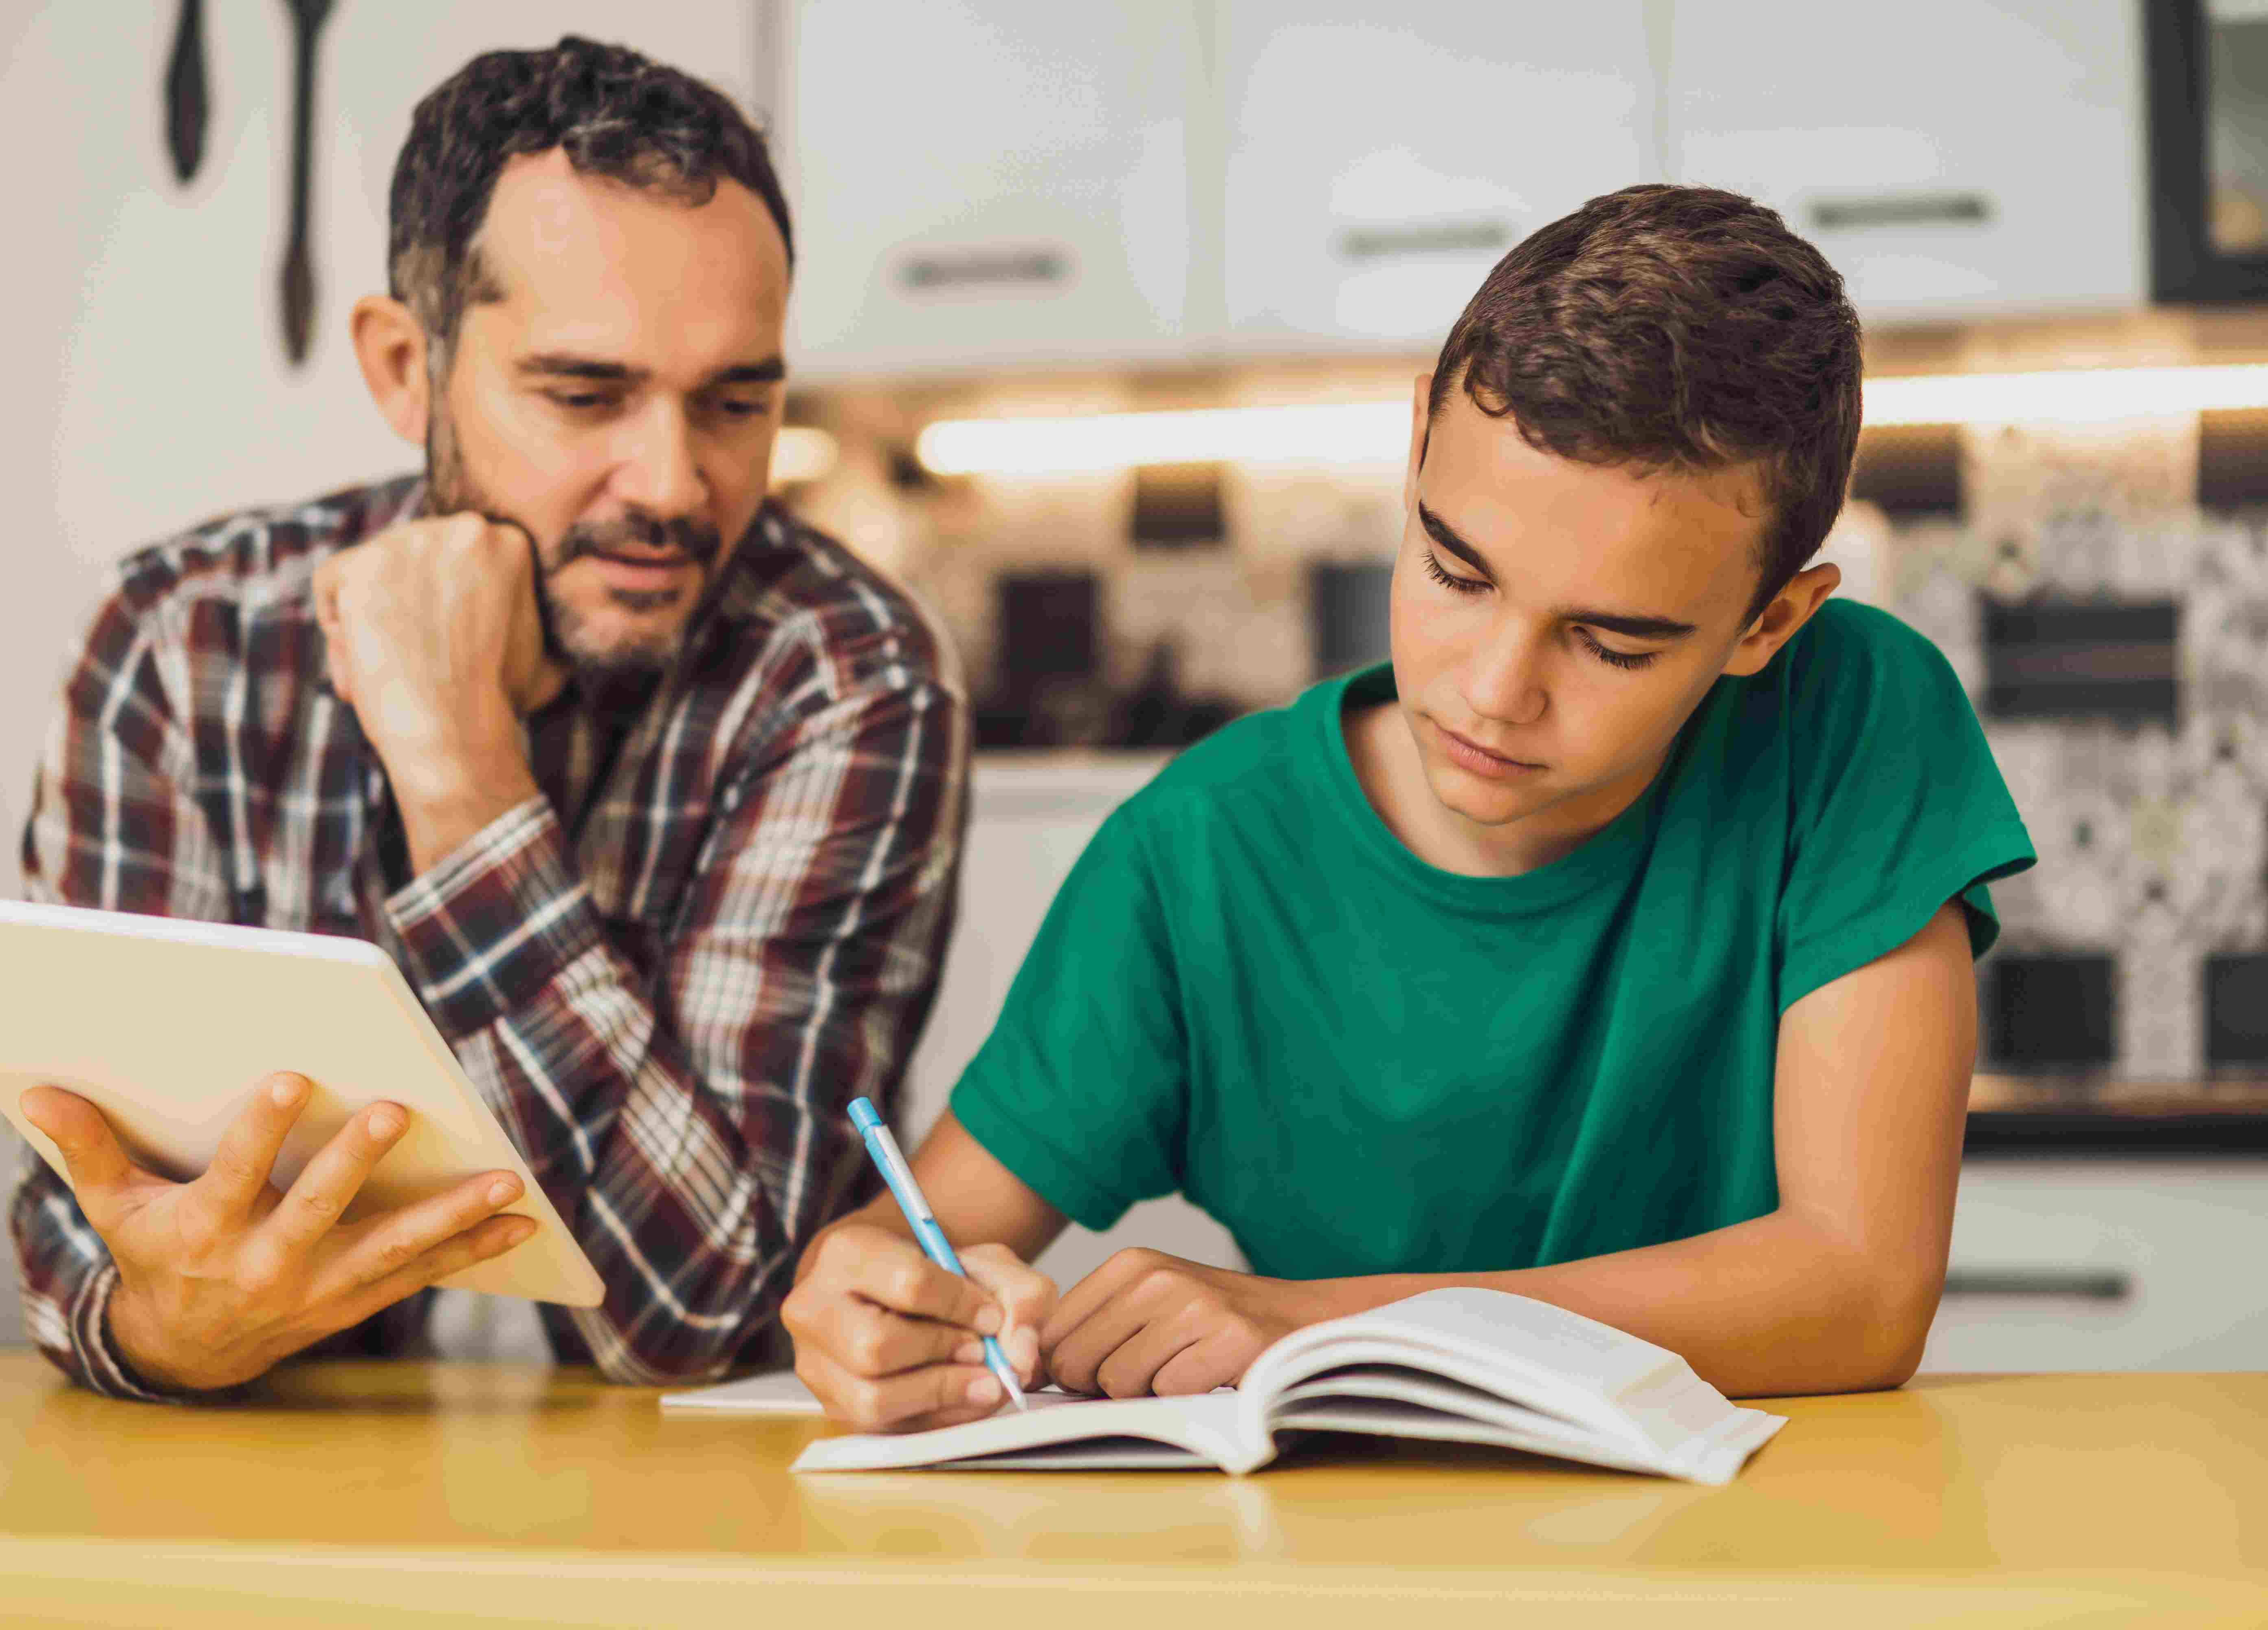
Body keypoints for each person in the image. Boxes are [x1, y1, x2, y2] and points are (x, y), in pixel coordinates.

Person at [783, 185, 2037, 1431]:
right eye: (1455, 570)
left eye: (1610, 642)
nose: (1495, 693)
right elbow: (918, 1247)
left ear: (1769, 624)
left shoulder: (1852, 717)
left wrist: (1318, 1320)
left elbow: (1861, 1292)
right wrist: (877, 1311)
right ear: (1417, 444)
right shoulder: (1196, 860)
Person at [9, 37, 967, 1399]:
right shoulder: (181, 647)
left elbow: (696, 1312)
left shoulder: (847, 679)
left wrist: (462, 777)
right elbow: (87, 1216)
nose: (674, 484)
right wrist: (166, 1330)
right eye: (585, 395)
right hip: (259, 1495)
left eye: (736, 403)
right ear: (407, 368)